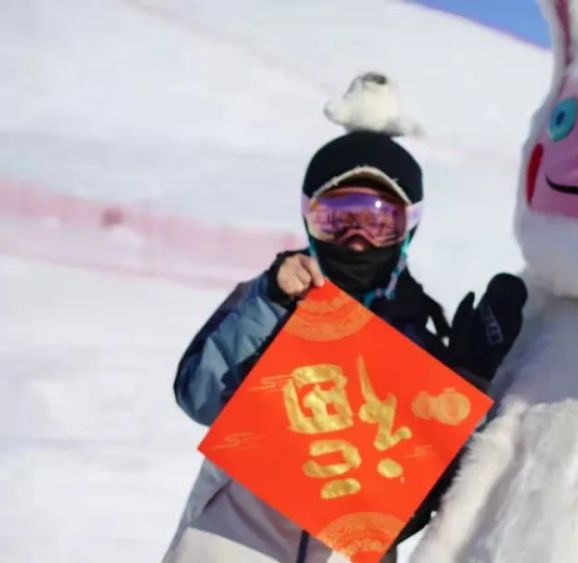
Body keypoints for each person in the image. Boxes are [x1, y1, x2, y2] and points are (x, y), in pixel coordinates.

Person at [162, 76, 528, 563]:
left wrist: (462, 383)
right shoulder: (276, 300)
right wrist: (271, 302)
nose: (357, 237)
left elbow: (421, 499)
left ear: (407, 227)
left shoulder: (416, 332)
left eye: (378, 221)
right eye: (338, 217)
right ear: (309, 218)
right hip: (234, 547)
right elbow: (202, 395)